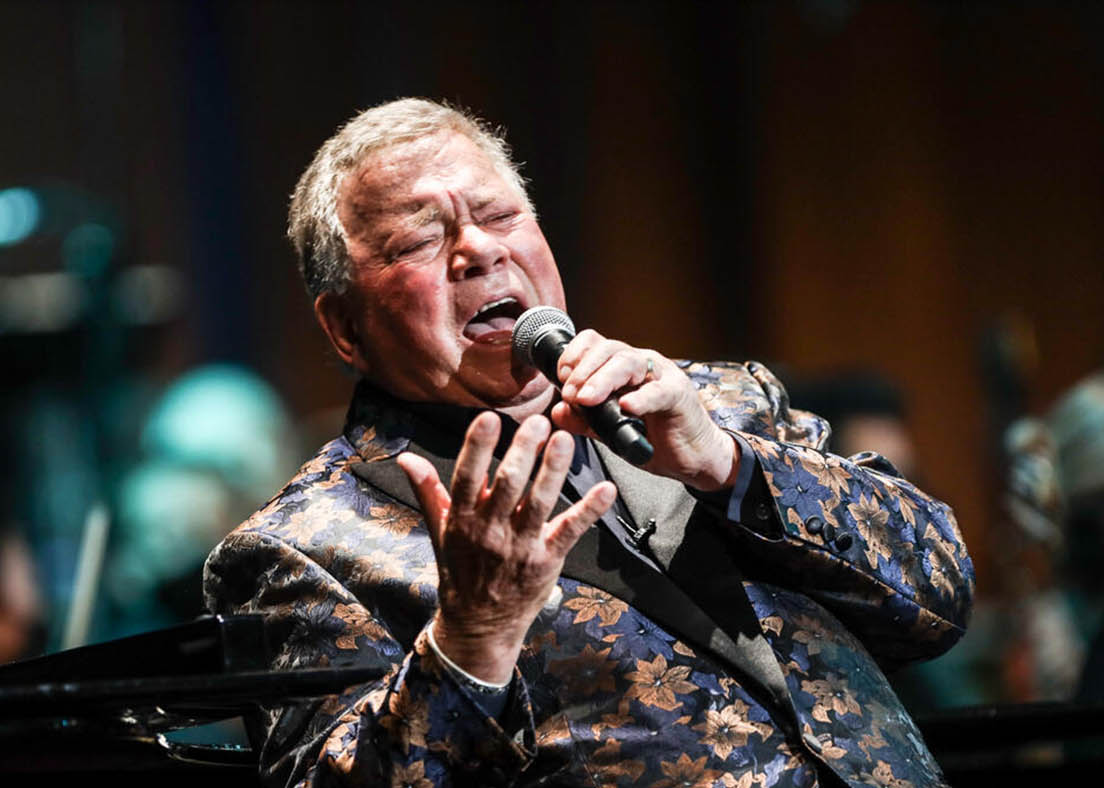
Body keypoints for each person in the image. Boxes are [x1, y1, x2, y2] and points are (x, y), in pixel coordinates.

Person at [203, 98, 974, 787]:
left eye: (499, 215)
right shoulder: (301, 549)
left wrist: (728, 464)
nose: (478, 250)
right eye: (417, 240)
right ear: (344, 327)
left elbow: (940, 592)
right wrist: (470, 643)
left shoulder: (721, 403)